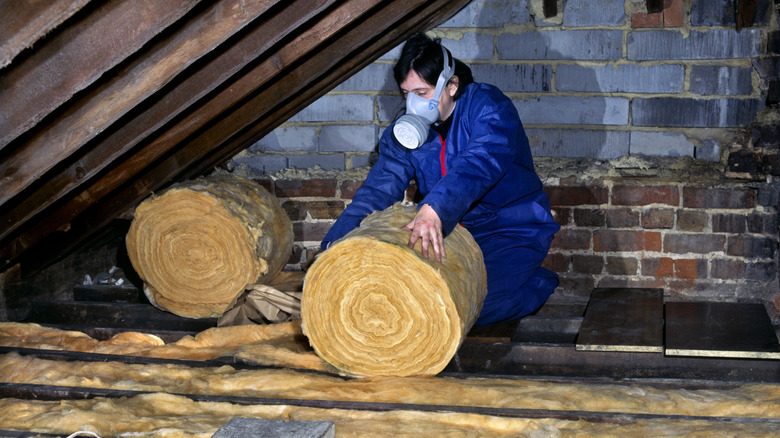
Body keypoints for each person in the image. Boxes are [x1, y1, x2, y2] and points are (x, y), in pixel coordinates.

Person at [321, 33, 560, 326]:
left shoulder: (488, 107)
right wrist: (334, 246)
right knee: (420, 301)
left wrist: (434, 208)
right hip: (450, 234)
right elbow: (377, 192)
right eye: (405, 94)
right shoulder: (404, 135)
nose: (412, 104)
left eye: (421, 93)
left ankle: (536, 283)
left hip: (510, 228)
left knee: (470, 307)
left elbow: (480, 161)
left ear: (451, 85)